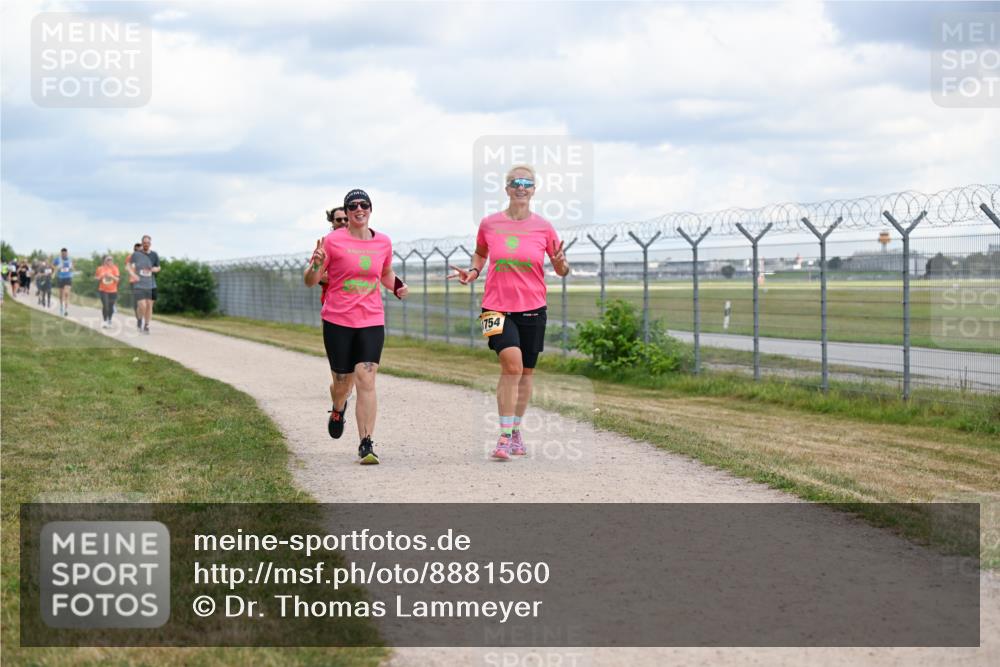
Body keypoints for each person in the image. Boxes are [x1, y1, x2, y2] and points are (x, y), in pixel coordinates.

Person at [448, 165, 570, 461]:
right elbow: (481, 252)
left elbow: (561, 268)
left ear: (534, 189)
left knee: (526, 372)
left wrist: (560, 263)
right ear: (507, 188)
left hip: (533, 307)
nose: (521, 187)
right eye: (515, 182)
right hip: (494, 306)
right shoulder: (490, 224)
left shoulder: (543, 227)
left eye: (527, 183)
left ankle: (515, 430)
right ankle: (503, 437)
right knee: (511, 366)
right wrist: (474, 270)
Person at [304, 189, 408, 465]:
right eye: (353, 206)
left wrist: (397, 286)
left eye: (364, 205)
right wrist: (315, 264)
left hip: (371, 319)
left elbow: (385, 273)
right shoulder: (333, 241)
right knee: (342, 383)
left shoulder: (383, 242)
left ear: (370, 209)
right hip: (338, 320)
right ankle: (338, 409)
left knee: (366, 377)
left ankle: (366, 442)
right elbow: (310, 281)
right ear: (347, 212)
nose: (359, 209)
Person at [129, 235, 160, 334]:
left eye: (148, 243)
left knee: (149, 305)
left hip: (151, 284)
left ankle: (146, 326)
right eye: (144, 243)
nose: (146, 244)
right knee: (142, 305)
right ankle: (139, 320)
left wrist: (154, 269)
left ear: (150, 244)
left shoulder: (154, 255)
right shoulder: (137, 254)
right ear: (142, 243)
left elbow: (158, 267)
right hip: (139, 284)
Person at [95, 255, 120, 328]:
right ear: (104, 261)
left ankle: (109, 320)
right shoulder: (100, 268)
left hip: (113, 290)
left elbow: (117, 280)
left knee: (111, 306)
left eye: (111, 260)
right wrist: (101, 276)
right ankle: (105, 321)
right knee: (105, 306)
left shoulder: (115, 268)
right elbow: (96, 278)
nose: (110, 261)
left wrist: (111, 276)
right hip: (103, 290)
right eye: (108, 260)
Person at [125, 242, 142, 326]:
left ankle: (141, 319)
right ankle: (139, 320)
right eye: (136, 250)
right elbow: (127, 267)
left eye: (140, 250)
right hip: (133, 282)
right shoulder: (130, 257)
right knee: (136, 302)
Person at [52, 249, 73, 315]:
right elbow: (52, 265)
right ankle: (61, 307)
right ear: (61, 253)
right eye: (63, 253)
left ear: (67, 253)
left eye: (65, 253)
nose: (64, 255)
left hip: (68, 277)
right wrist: (56, 268)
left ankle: (66, 310)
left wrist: (70, 268)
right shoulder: (58, 259)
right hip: (60, 278)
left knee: (66, 293)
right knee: (61, 295)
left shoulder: (69, 259)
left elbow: (72, 267)